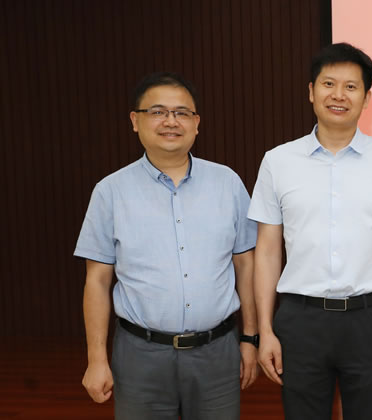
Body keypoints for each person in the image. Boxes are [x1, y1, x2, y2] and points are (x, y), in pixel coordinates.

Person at [248, 43, 372, 419]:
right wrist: (265, 329)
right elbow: (267, 250)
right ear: (311, 91)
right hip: (300, 320)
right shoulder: (278, 161)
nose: (339, 95)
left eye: (351, 87)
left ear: (367, 99)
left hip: (369, 318)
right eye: (329, 84)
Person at [75, 72, 259, 419]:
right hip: (140, 356)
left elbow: (246, 265)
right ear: (135, 121)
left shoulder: (228, 183)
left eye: (182, 113)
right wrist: (96, 359)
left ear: (197, 123)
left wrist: (250, 339)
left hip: (217, 352)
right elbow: (97, 280)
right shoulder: (110, 191)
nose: (171, 121)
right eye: (158, 112)